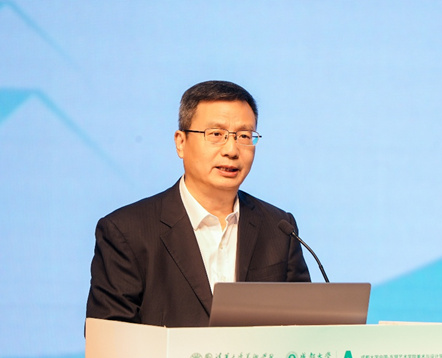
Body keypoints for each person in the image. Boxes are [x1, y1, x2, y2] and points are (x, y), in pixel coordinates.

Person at [86, 80, 310, 327]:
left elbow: (303, 328)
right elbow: (109, 339)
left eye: (244, 136)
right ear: (181, 142)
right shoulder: (127, 232)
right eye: (216, 134)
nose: (232, 150)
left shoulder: (279, 228)